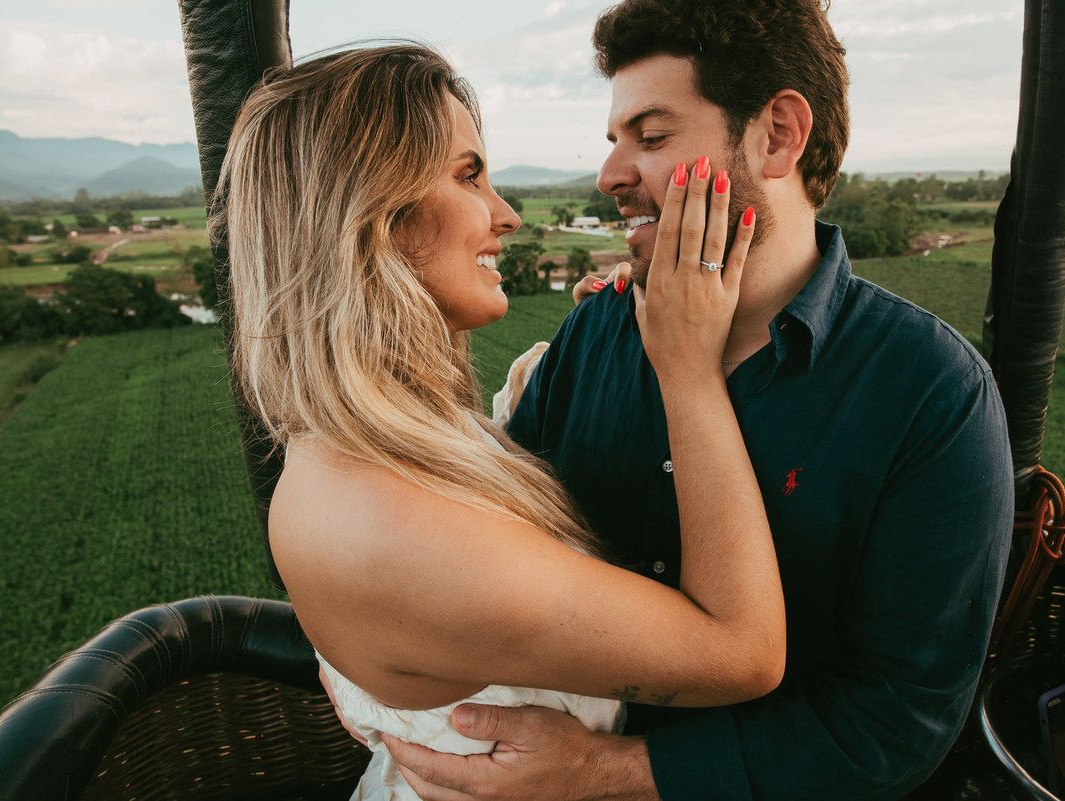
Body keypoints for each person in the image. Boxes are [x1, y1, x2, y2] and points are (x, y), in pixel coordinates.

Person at [380, 1, 1015, 799]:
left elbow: (894, 723)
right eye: (615, 142)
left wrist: (598, 771)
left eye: (650, 136)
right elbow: (499, 546)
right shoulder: (596, 332)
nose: (611, 174)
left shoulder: (931, 397)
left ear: (779, 134)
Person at [219, 41, 786, 801]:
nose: (507, 215)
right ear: (368, 212)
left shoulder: (356, 449)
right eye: (467, 175)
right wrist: (687, 369)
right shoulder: (402, 533)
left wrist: (599, 340)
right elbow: (743, 654)